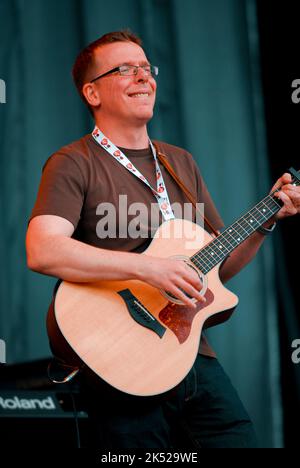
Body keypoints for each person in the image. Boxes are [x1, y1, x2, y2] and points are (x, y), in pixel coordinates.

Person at [26, 30, 299, 449]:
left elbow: (217, 265)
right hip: (121, 358)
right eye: (125, 69)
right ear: (92, 93)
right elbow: (43, 249)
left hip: (191, 353)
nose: (143, 76)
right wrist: (149, 269)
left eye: (145, 67)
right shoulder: (73, 162)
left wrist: (267, 220)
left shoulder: (179, 162)